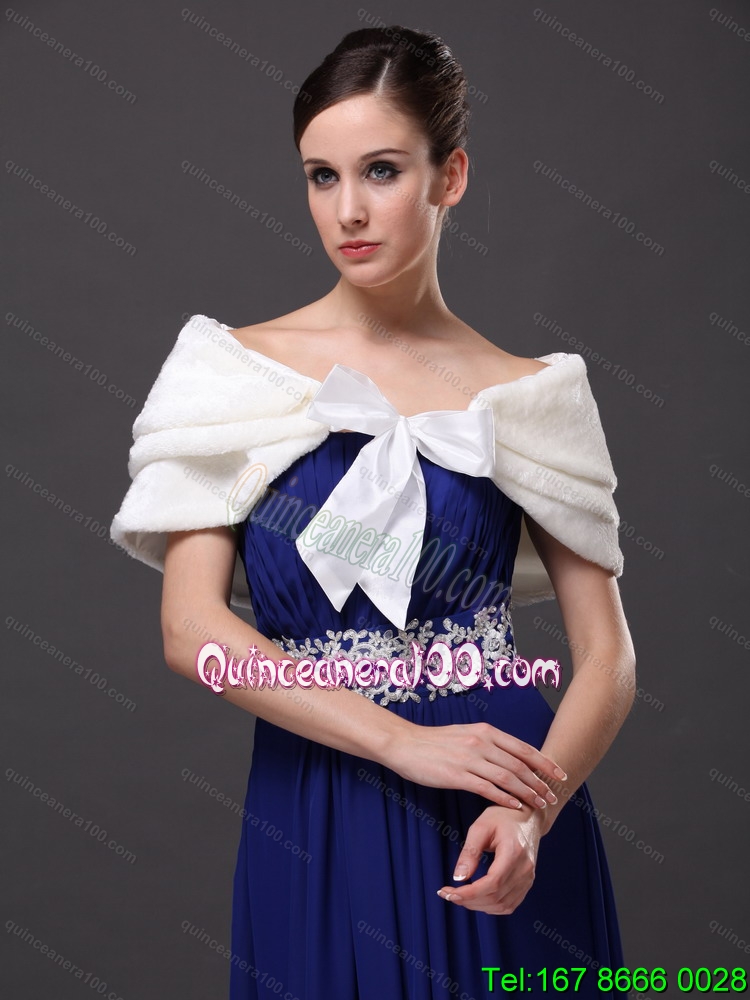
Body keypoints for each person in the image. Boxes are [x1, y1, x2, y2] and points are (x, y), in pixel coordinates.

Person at [111, 25, 636, 1000]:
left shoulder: (531, 394)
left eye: (382, 171)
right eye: (322, 176)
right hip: (319, 800)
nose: (347, 209)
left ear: (451, 176)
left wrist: (536, 808)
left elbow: (607, 657)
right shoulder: (231, 375)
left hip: (502, 798)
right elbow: (191, 633)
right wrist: (400, 739)